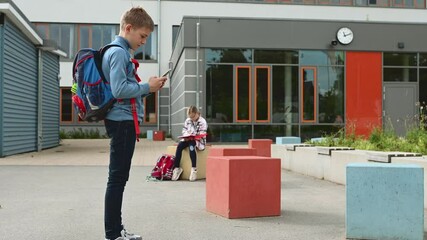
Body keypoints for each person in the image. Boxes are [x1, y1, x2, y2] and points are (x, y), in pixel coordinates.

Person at [102, 7, 167, 240]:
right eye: (142, 36)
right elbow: (119, 90)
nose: (144, 42)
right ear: (128, 28)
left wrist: (149, 89)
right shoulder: (119, 53)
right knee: (117, 179)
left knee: (118, 178)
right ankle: (113, 234)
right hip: (122, 123)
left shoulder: (117, 52)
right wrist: (146, 87)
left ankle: (116, 231)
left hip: (122, 121)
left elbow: (125, 91)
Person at [171, 106, 208, 181]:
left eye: (193, 116)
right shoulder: (188, 120)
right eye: (190, 117)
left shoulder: (203, 121)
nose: (192, 119)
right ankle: (177, 168)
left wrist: (194, 136)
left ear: (197, 113)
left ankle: (194, 169)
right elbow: (184, 130)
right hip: (188, 139)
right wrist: (186, 135)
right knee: (179, 146)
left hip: (198, 141)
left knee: (192, 146)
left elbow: (202, 134)